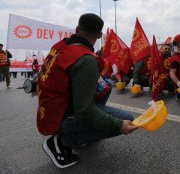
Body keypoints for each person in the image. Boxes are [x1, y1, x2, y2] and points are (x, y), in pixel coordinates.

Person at [37, 13, 136, 169]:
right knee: (126, 118)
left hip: (48, 110)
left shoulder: (60, 47)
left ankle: (76, 133)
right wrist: (118, 125)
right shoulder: (86, 60)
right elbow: (84, 109)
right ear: (99, 35)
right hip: (60, 118)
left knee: (105, 86)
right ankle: (64, 141)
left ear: (77, 29)